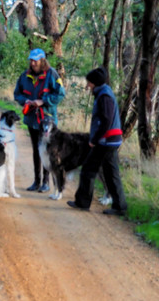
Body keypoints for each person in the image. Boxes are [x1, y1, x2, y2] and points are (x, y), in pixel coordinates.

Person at [67, 66, 128, 215]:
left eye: (89, 82)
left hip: (106, 141)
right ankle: (119, 206)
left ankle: (83, 202)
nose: (87, 85)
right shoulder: (105, 92)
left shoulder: (104, 96)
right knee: (110, 173)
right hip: (111, 140)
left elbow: (106, 120)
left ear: (94, 83)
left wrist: (94, 139)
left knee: (89, 169)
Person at [14, 48, 66, 192]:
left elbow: (61, 94)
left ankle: (46, 182)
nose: (33, 63)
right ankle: (36, 181)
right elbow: (17, 94)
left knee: (47, 150)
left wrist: (43, 101)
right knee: (37, 150)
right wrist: (26, 101)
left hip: (47, 120)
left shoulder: (52, 74)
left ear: (42, 60)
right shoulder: (24, 76)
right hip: (32, 119)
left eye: (35, 60)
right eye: (31, 60)